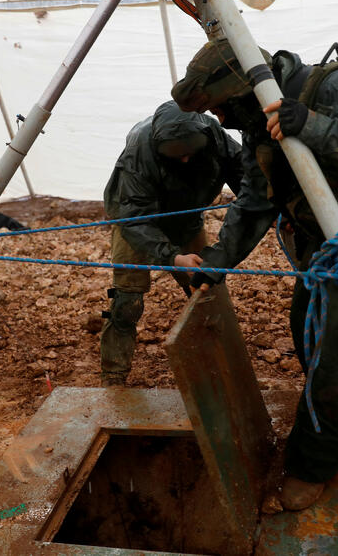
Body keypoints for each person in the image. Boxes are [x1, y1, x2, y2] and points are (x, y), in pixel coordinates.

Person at [171, 39, 338, 511]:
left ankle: (312, 465)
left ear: (241, 93)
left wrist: (317, 127)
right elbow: (257, 197)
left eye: (220, 109)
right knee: (307, 329)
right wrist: (219, 259)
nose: (219, 120)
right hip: (326, 244)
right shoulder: (262, 122)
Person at [99, 101, 243, 386]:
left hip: (186, 215)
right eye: (177, 155)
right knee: (127, 300)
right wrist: (173, 257)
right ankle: (113, 376)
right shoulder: (139, 151)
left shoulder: (214, 135)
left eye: (192, 152)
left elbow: (245, 176)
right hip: (135, 221)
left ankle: (226, 364)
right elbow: (134, 217)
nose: (186, 161)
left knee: (206, 284)